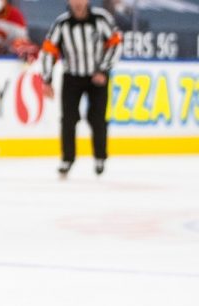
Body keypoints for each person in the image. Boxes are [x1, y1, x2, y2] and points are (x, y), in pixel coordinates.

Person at [40, 0, 122, 177]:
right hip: (72, 77)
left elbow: (115, 43)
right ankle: (67, 159)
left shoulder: (101, 19)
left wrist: (103, 69)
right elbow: (49, 50)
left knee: (97, 118)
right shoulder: (62, 23)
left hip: (97, 78)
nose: (78, 2)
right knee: (68, 119)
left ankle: (100, 157)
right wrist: (47, 79)